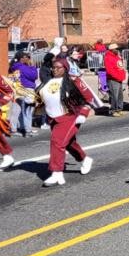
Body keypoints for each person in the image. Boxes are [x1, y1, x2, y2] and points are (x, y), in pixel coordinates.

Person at [37, 57, 96, 187]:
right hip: (54, 117)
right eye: (54, 67)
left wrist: (83, 113)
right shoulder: (48, 81)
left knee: (57, 142)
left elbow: (89, 98)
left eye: (59, 68)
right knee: (68, 143)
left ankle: (56, 172)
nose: (55, 70)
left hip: (70, 116)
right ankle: (84, 159)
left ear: (65, 68)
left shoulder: (74, 80)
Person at [10, 52, 38, 137]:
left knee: (16, 110)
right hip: (27, 90)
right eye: (27, 57)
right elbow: (34, 76)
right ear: (22, 59)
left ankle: (14, 129)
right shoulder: (23, 67)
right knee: (27, 111)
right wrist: (32, 66)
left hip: (17, 90)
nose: (28, 59)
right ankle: (28, 130)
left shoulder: (15, 67)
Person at [105, 43, 127, 116]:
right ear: (112, 50)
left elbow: (120, 67)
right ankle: (113, 110)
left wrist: (122, 76)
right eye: (116, 49)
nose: (118, 50)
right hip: (113, 80)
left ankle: (119, 109)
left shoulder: (117, 57)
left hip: (119, 79)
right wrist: (117, 77)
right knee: (114, 95)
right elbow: (110, 70)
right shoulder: (108, 57)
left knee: (120, 95)